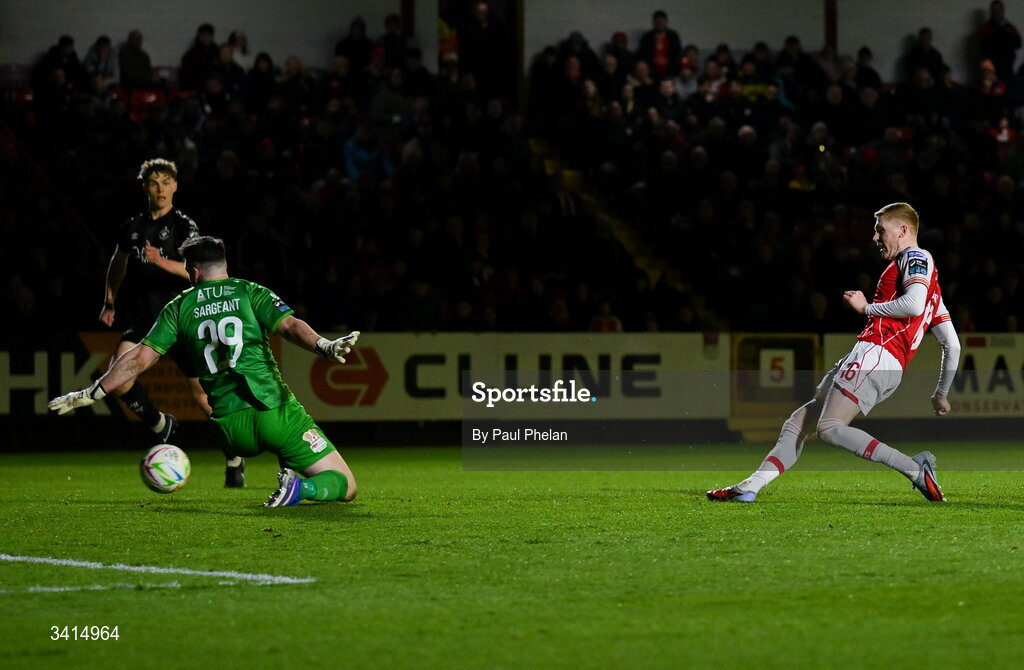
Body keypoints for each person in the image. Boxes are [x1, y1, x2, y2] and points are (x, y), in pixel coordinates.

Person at [50, 236, 361, 508]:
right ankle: (300, 487)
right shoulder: (249, 292)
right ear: (222, 265)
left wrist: (91, 392)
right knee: (345, 484)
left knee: (283, 451)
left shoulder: (178, 307)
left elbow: (139, 359)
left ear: (194, 270)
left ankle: (289, 476)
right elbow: (291, 327)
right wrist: (324, 346)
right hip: (273, 412)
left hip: (230, 429)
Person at [707, 203, 961, 503]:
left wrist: (866, 308)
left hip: (876, 354)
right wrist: (941, 393)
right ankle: (751, 486)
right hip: (882, 360)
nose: (875, 237)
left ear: (903, 230)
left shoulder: (916, 256)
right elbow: (952, 344)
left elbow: (914, 305)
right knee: (800, 421)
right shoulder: (935, 289)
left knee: (829, 428)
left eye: (881, 230)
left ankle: (914, 468)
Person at [98, 159, 243, 486]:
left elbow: (194, 271)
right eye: (154, 182)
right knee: (118, 375)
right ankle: (160, 424)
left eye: (166, 182)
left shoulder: (183, 226)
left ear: (176, 186)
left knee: (205, 398)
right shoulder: (131, 228)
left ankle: (234, 457)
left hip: (183, 320)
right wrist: (109, 300)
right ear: (144, 187)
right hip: (146, 319)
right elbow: (117, 263)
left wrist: (160, 261)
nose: (161, 188)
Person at [980, 0, 1021, 84]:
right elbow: (984, 47)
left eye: (999, 9)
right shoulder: (986, 28)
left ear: (1003, 10)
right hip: (992, 69)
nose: (997, 12)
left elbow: (1018, 43)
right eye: (994, 9)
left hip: (1008, 67)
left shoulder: (1010, 27)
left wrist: (1002, 41)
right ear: (991, 11)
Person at [637, 10, 682, 79]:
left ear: (666, 22)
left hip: (670, 73)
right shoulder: (647, 37)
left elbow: (678, 53)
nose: (660, 23)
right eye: (658, 21)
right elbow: (642, 54)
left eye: (662, 21)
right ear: (653, 22)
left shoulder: (673, 36)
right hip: (651, 73)